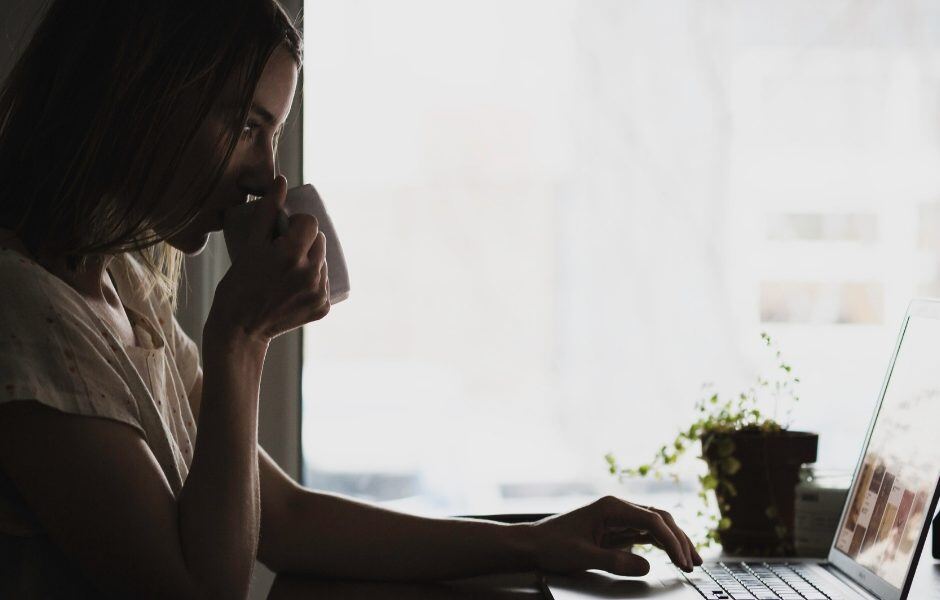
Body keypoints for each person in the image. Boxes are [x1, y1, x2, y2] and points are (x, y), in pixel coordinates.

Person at [0, 1, 702, 597]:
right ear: (140, 98)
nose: (265, 175)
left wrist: (533, 542)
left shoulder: (121, 290)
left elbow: (283, 516)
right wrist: (241, 338)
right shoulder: (23, 312)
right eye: (245, 125)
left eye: (271, 134)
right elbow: (203, 591)